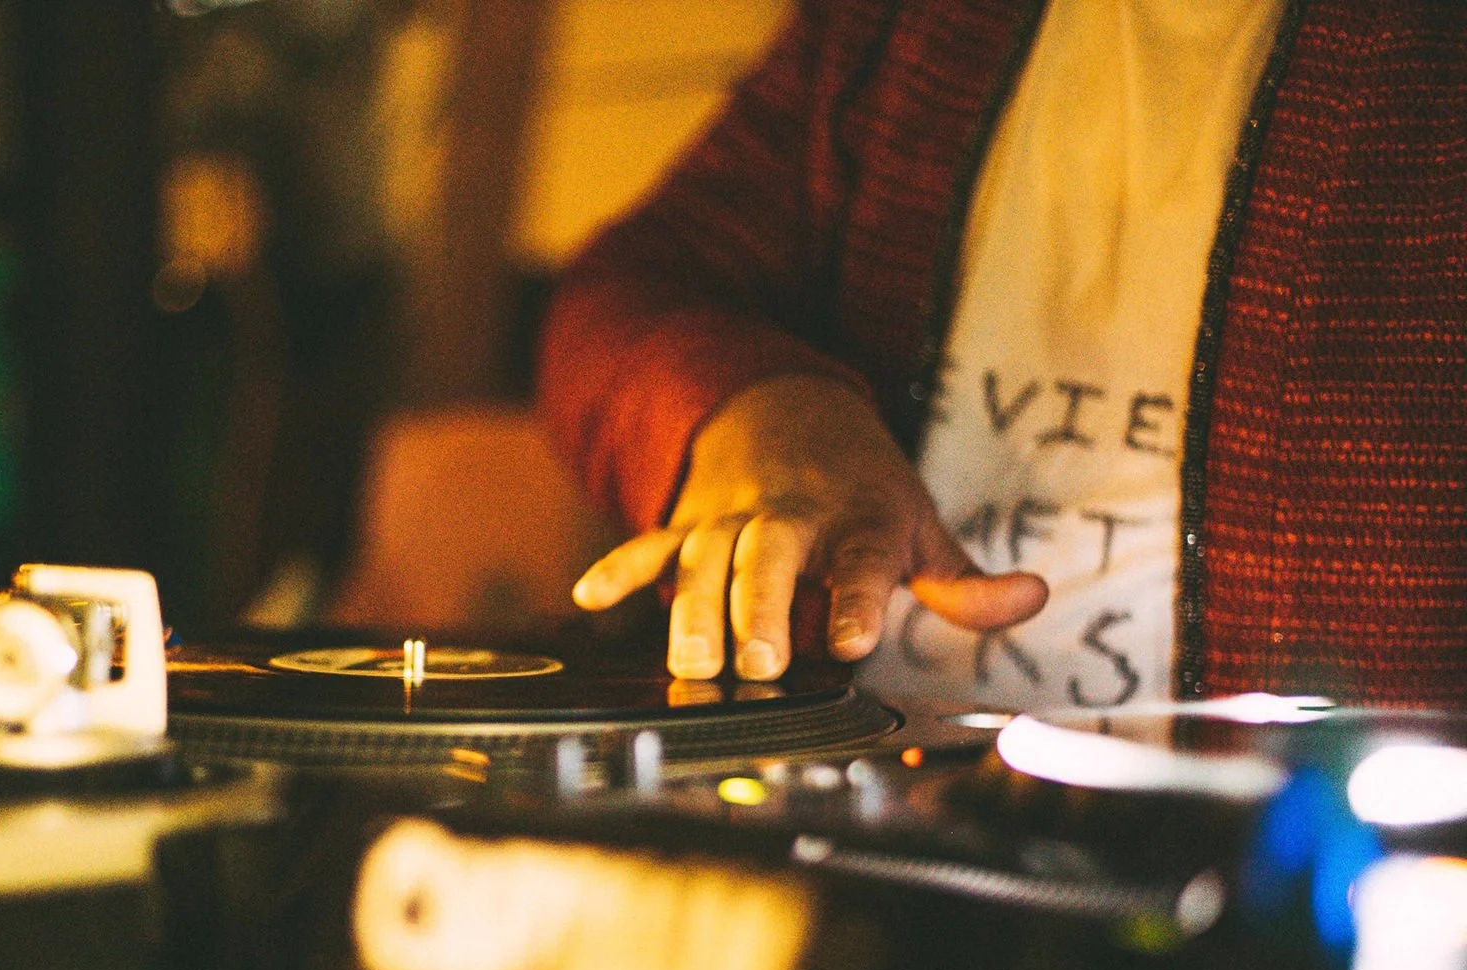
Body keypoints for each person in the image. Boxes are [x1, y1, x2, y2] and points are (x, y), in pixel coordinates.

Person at [538, 0, 1467, 710]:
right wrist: (753, 409)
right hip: (844, 859)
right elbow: (627, 289)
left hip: (1289, 917)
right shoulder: (906, 27)